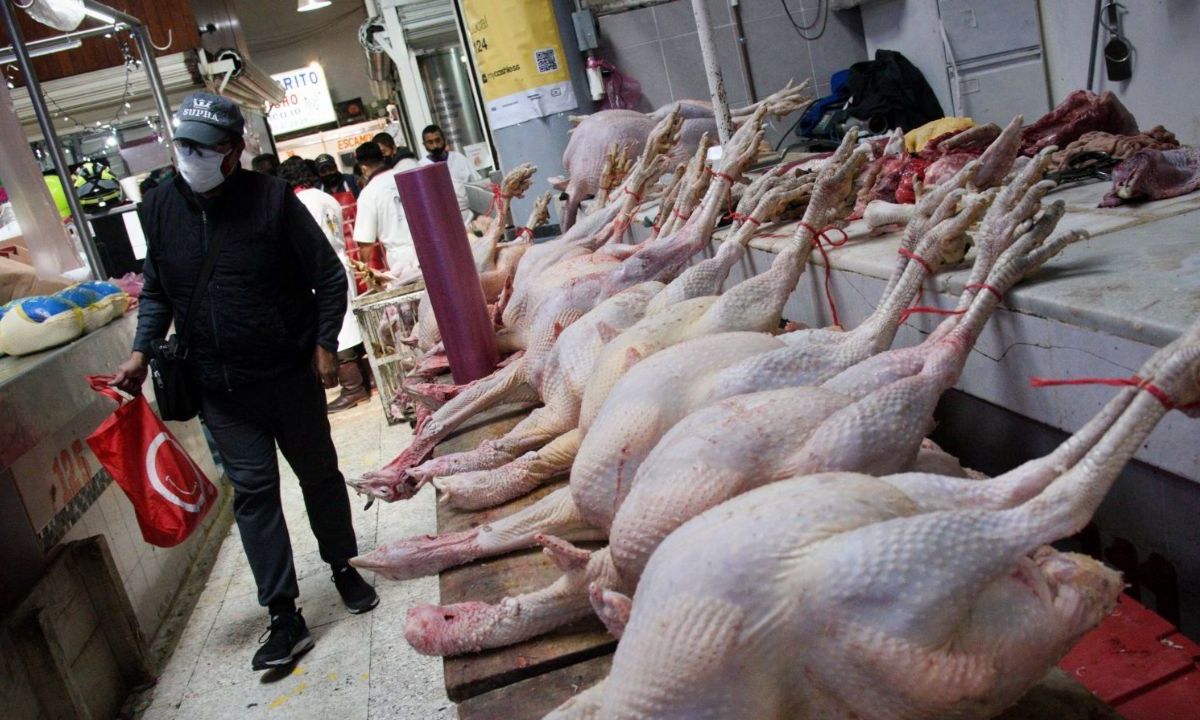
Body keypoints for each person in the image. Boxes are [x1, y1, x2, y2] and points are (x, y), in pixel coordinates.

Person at [109, 92, 378, 673]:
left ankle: (344, 565)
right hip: (217, 386)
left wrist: (325, 344)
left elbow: (329, 277)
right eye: (182, 145)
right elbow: (156, 289)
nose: (189, 157)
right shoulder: (157, 207)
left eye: (202, 149)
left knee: (319, 476)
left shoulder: (272, 201)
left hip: (285, 374)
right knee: (254, 495)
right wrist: (139, 351)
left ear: (233, 152)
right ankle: (283, 614)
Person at [278, 156, 372, 412]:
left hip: (318, 270)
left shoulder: (299, 203)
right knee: (351, 324)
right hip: (340, 263)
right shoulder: (327, 198)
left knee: (336, 330)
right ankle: (367, 377)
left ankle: (353, 387)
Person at [351, 140, 420, 278]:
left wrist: (363, 269)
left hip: (400, 260)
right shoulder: (407, 176)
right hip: (426, 248)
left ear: (363, 168)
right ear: (382, 158)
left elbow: (366, 241)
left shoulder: (368, 193)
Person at [419, 124, 477, 224]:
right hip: (441, 221)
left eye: (438, 140)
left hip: (467, 218)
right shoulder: (421, 167)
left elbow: (476, 184)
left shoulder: (459, 158)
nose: (435, 146)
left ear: (444, 140)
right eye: (430, 142)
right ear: (424, 145)